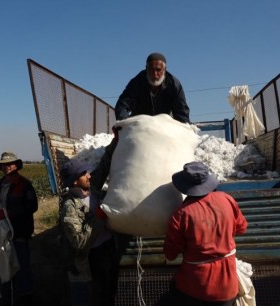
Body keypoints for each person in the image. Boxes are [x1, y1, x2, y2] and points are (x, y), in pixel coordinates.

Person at [162, 161, 248, 306]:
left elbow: (170, 254)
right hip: (228, 286)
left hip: (195, 288)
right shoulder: (227, 199)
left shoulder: (181, 214)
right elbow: (241, 228)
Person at [59, 134, 121, 306]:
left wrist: (116, 140)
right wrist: (99, 219)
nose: (89, 175)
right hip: (94, 257)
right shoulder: (70, 209)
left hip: (108, 249)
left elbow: (104, 165)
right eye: (83, 174)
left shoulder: (92, 188)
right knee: (99, 294)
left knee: (112, 289)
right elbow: (79, 242)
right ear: (73, 182)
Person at [0, 152, 38, 306]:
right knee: (5, 264)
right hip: (3, 231)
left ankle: (25, 297)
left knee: (21, 266)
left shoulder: (24, 184)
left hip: (20, 231)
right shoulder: (1, 183)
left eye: (10, 163)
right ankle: (8, 296)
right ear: (1, 167)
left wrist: (9, 213)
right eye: (4, 164)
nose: (7, 166)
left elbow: (32, 206)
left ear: (16, 165)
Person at [115, 52, 190, 123]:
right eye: (151, 69)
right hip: (140, 126)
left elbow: (182, 114)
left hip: (165, 125)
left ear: (164, 69)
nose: (155, 74)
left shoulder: (174, 85)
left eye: (158, 70)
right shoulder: (136, 83)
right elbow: (122, 106)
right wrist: (126, 125)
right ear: (146, 68)